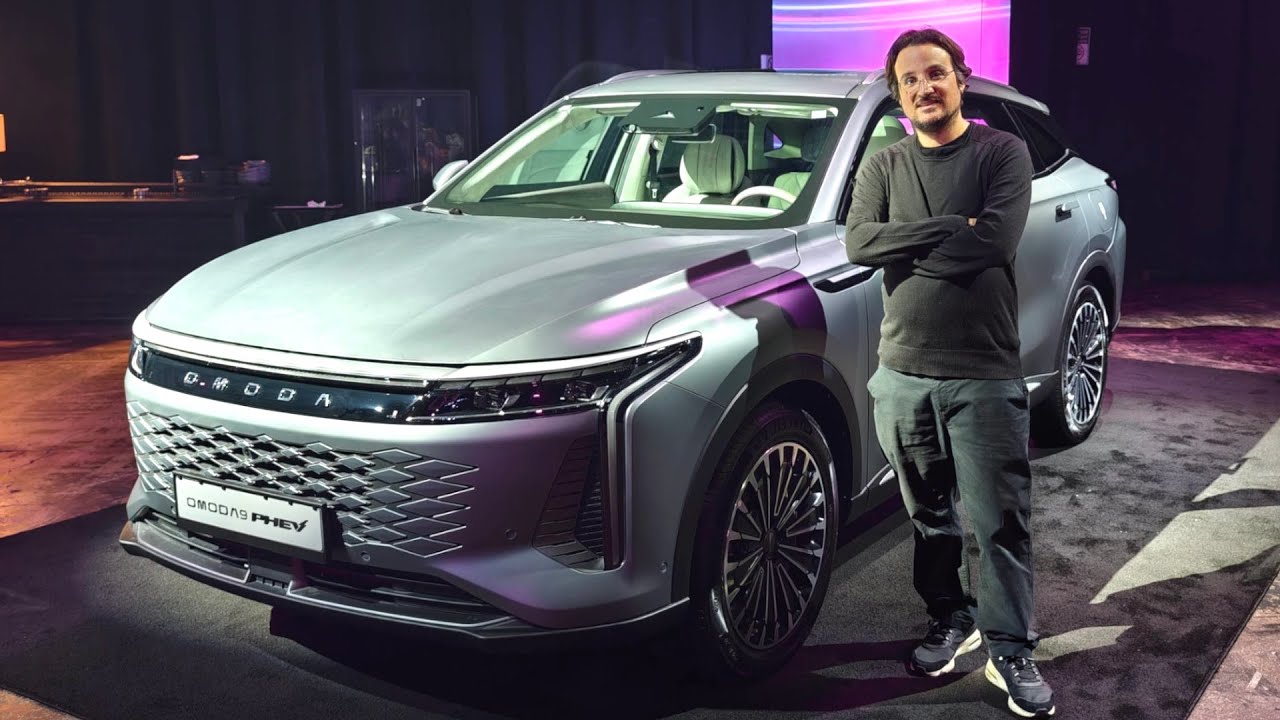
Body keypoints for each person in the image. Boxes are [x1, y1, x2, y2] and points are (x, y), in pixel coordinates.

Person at [845, 28, 1054, 718]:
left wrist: (909, 244)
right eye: (909, 80)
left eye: (935, 73)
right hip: (902, 373)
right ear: (898, 94)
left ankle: (1010, 646)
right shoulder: (884, 163)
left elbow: (992, 241)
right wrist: (948, 227)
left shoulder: (1002, 152)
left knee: (999, 523)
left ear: (960, 79)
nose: (923, 87)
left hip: (983, 374)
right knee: (929, 517)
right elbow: (859, 243)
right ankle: (949, 617)